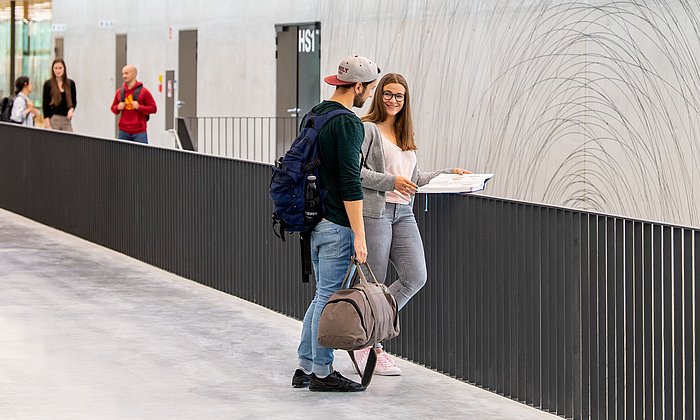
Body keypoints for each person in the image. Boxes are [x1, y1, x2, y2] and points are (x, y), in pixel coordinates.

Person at [353, 73, 471, 376]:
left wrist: (447, 174)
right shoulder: (368, 130)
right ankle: (371, 346)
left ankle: (367, 333)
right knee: (374, 284)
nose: (394, 100)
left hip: (404, 213)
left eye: (400, 96)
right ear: (379, 96)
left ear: (406, 102)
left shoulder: (405, 137)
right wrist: (392, 181)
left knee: (416, 276)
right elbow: (356, 172)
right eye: (389, 94)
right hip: (376, 212)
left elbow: (414, 180)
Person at [292, 55, 380, 392]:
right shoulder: (347, 123)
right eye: (368, 90)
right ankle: (323, 373)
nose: (367, 96)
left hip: (313, 222)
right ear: (357, 86)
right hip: (336, 225)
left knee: (320, 297)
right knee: (329, 298)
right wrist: (359, 234)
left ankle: (305, 365)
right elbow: (350, 182)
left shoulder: (314, 114)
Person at [110, 65, 157, 143]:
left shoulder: (144, 92)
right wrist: (118, 107)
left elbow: (153, 108)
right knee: (122, 154)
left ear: (134, 74)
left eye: (126, 73)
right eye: (123, 74)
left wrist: (139, 107)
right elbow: (113, 109)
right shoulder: (119, 92)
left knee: (141, 154)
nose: (123, 76)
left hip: (139, 132)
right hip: (123, 131)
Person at [42, 58, 77, 132]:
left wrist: (71, 110)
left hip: (66, 119)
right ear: (53, 69)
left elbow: (74, 101)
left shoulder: (71, 84)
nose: (58, 71)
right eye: (56, 68)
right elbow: (45, 105)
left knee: (69, 141)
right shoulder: (48, 84)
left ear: (64, 69)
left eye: (60, 68)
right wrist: (47, 123)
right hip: (53, 119)